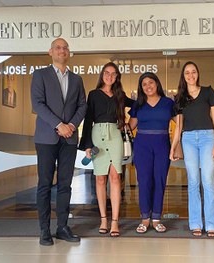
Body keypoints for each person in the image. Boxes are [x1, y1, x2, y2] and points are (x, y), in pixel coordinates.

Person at [30, 38, 87, 246]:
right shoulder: (40, 75)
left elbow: (82, 106)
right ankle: (44, 230)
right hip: (46, 138)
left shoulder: (77, 79)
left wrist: (71, 125)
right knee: (44, 185)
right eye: (58, 48)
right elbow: (37, 104)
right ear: (50, 52)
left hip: (69, 139)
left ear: (69, 53)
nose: (62, 51)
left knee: (65, 185)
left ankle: (62, 227)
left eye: (65, 48)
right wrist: (58, 124)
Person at [79, 62, 133, 237]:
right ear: (102, 74)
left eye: (113, 74)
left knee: (115, 176)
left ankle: (115, 221)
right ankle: (103, 219)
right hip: (98, 135)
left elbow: (139, 105)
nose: (110, 76)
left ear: (117, 77)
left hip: (115, 135)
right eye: (107, 73)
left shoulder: (120, 95)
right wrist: (87, 145)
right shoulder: (93, 95)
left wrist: (130, 124)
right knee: (100, 178)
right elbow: (88, 120)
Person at [170, 61, 214, 238]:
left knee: (208, 181)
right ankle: (196, 223)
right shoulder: (179, 98)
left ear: (198, 74)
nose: (191, 75)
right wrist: (174, 146)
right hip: (189, 139)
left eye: (193, 72)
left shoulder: (208, 92)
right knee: (193, 182)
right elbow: (178, 126)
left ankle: (212, 224)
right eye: (187, 73)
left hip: (208, 137)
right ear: (183, 76)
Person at [128, 72, 176, 234]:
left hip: (163, 145)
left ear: (157, 83)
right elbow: (130, 127)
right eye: (144, 84)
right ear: (141, 88)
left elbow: (182, 122)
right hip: (142, 146)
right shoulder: (138, 104)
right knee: (145, 181)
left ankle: (156, 218)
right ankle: (144, 219)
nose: (148, 86)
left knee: (160, 180)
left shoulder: (168, 103)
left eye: (151, 82)